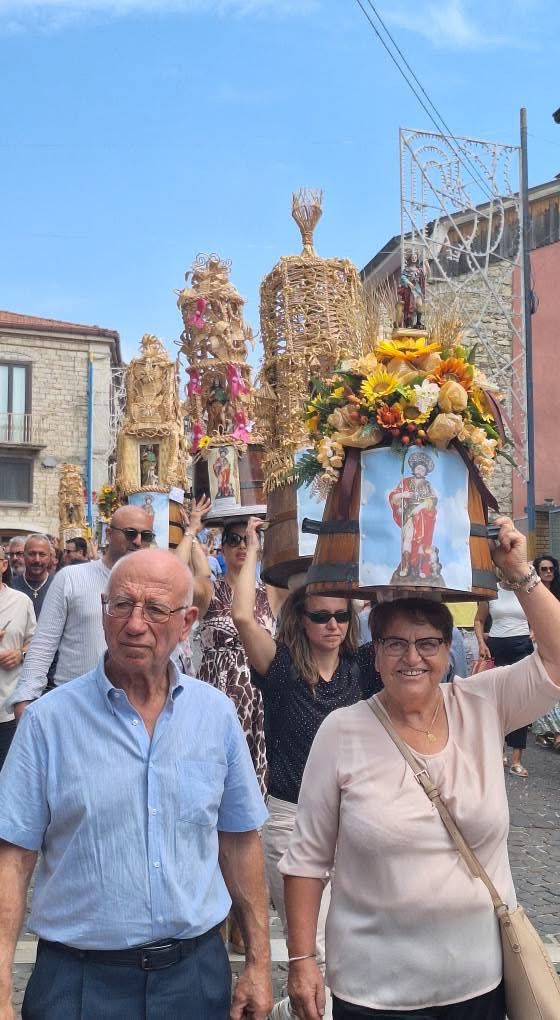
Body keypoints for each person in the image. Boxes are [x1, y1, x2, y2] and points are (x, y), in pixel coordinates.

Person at [279, 517, 560, 1020]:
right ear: (376, 655)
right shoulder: (343, 731)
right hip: (372, 990)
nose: (413, 658)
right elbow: (307, 860)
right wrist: (302, 961)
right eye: (395, 645)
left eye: (428, 643)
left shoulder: (482, 702)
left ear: (448, 651)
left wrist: (520, 572)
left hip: (477, 982)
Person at [0, 549, 272, 1020]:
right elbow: (13, 857)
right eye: (121, 605)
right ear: (104, 611)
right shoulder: (48, 721)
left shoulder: (215, 715)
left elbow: (240, 841)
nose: (134, 624)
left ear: (187, 622)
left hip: (194, 979)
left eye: (156, 610)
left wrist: (260, 964)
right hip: (79, 982)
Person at [231, 517, 379, 1018]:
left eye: (340, 616)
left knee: (350, 933)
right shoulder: (280, 669)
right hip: (290, 819)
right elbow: (244, 618)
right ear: (302, 619)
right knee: (310, 939)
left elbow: (389, 605)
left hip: (355, 819)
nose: (332, 625)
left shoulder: (363, 668)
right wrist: (252, 547)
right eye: (320, 617)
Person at [11, 505, 155, 716]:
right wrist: (25, 697)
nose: (138, 541)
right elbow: (43, 645)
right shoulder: (70, 578)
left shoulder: (154, 586)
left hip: (133, 708)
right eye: (131, 533)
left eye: (147, 535)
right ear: (108, 533)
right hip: (74, 705)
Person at [198, 518, 279, 798]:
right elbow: (179, 573)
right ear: (222, 547)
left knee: (256, 770)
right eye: (234, 539)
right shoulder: (209, 590)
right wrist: (190, 529)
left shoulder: (270, 592)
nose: (242, 545)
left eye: (248, 539)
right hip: (217, 691)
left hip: (259, 696)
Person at [475, 585, 533, 777]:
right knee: (496, 703)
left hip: (522, 646)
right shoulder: (491, 590)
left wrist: (532, 636)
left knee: (520, 703)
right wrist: (482, 644)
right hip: (495, 647)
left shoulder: (526, 589)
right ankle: (498, 753)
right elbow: (479, 620)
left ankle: (517, 759)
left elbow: (540, 619)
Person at [0, 549, 35, 770]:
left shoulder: (21, 602)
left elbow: (37, 643)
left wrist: (20, 654)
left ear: (3, 565)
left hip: (7, 709)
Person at [388, 451, 439, 582]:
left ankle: (421, 568)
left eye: (423, 469)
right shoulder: (405, 481)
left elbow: (433, 499)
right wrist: (402, 495)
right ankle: (405, 566)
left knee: (422, 541)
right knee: (407, 539)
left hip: (423, 515)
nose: (420, 470)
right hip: (409, 513)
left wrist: (420, 506)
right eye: (418, 468)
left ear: (425, 471)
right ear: (414, 468)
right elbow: (394, 496)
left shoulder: (428, 485)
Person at [531, 554, 560, 751]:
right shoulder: (531, 592)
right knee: (544, 684)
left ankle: (557, 733)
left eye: (551, 569)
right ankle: (547, 731)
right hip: (536, 643)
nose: (548, 572)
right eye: (544, 569)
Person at [12, 535, 53, 615]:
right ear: (24, 556)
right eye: (32, 554)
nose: (37, 560)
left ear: (50, 557)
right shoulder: (10, 585)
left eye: (42, 554)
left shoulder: (58, 585)